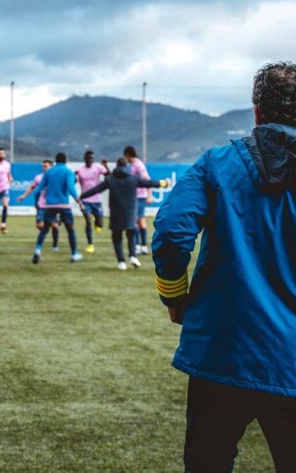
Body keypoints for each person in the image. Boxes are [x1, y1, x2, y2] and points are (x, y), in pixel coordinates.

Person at [151, 61, 296, 472]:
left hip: (222, 352)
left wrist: (174, 296)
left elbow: (173, 230)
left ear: (256, 110)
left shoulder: (217, 162)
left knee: (208, 463)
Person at [80, 158, 167, 270]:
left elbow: (96, 190)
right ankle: (133, 256)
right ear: (126, 167)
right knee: (131, 234)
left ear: (116, 166)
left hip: (116, 212)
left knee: (117, 237)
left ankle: (121, 262)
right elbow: (149, 183)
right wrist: (163, 183)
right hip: (130, 212)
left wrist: (82, 196)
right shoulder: (133, 179)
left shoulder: (110, 179)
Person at [30, 153, 84, 264]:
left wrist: (36, 203)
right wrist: (79, 202)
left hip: (49, 205)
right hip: (63, 205)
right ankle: (74, 254)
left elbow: (38, 190)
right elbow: (71, 187)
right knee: (70, 230)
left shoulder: (49, 172)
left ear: (55, 161)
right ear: (66, 160)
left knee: (44, 230)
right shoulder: (68, 172)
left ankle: (37, 250)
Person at [16, 160, 60, 254]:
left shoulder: (56, 177)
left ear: (51, 167)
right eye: (43, 166)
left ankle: (55, 245)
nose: (43, 168)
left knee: (55, 226)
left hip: (53, 206)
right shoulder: (38, 177)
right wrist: (23, 196)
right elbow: (32, 188)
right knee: (40, 226)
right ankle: (42, 240)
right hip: (42, 205)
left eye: (46, 166)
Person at [76, 151, 108, 254]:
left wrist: (106, 166)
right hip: (85, 200)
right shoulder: (80, 171)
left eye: (92, 159)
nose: (90, 160)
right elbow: (73, 182)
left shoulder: (98, 167)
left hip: (97, 200)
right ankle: (90, 244)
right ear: (85, 159)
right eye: (88, 158)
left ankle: (97, 223)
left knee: (100, 223)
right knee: (88, 220)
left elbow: (109, 176)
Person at [124, 145, 153, 254]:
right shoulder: (133, 165)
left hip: (139, 196)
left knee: (136, 220)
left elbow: (147, 180)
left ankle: (138, 245)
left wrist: (149, 195)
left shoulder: (138, 165)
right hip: (136, 196)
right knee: (140, 220)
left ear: (127, 155)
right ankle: (142, 245)